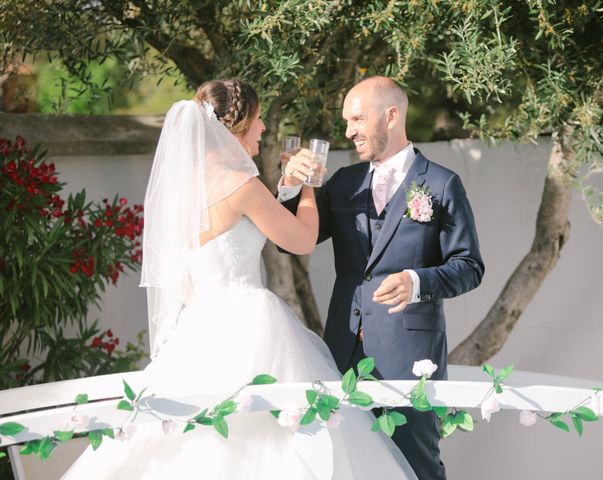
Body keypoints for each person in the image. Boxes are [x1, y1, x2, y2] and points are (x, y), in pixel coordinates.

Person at [62, 79, 417, 479]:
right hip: (249, 325)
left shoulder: (188, 188)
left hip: (197, 329)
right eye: (259, 119)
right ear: (239, 125)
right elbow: (301, 240)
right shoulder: (241, 185)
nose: (263, 128)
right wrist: (309, 185)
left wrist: (288, 182)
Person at [279, 76, 485, 480]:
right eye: (346, 121)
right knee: (345, 466)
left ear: (391, 116)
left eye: (357, 119)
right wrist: (289, 186)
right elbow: (292, 242)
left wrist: (418, 282)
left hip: (409, 357)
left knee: (415, 466)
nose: (348, 131)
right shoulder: (342, 182)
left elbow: (470, 265)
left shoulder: (441, 184)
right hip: (341, 353)